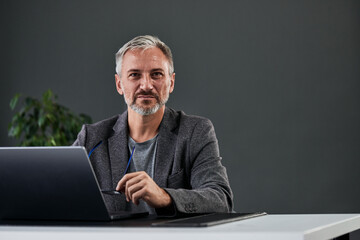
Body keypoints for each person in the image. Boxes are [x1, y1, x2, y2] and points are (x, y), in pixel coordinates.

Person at [73, 35, 233, 216]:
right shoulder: (92, 137)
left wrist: (165, 197)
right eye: (134, 75)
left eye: (156, 74)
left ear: (171, 82)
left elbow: (220, 199)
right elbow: (59, 193)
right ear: (119, 84)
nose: (146, 85)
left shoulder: (195, 131)